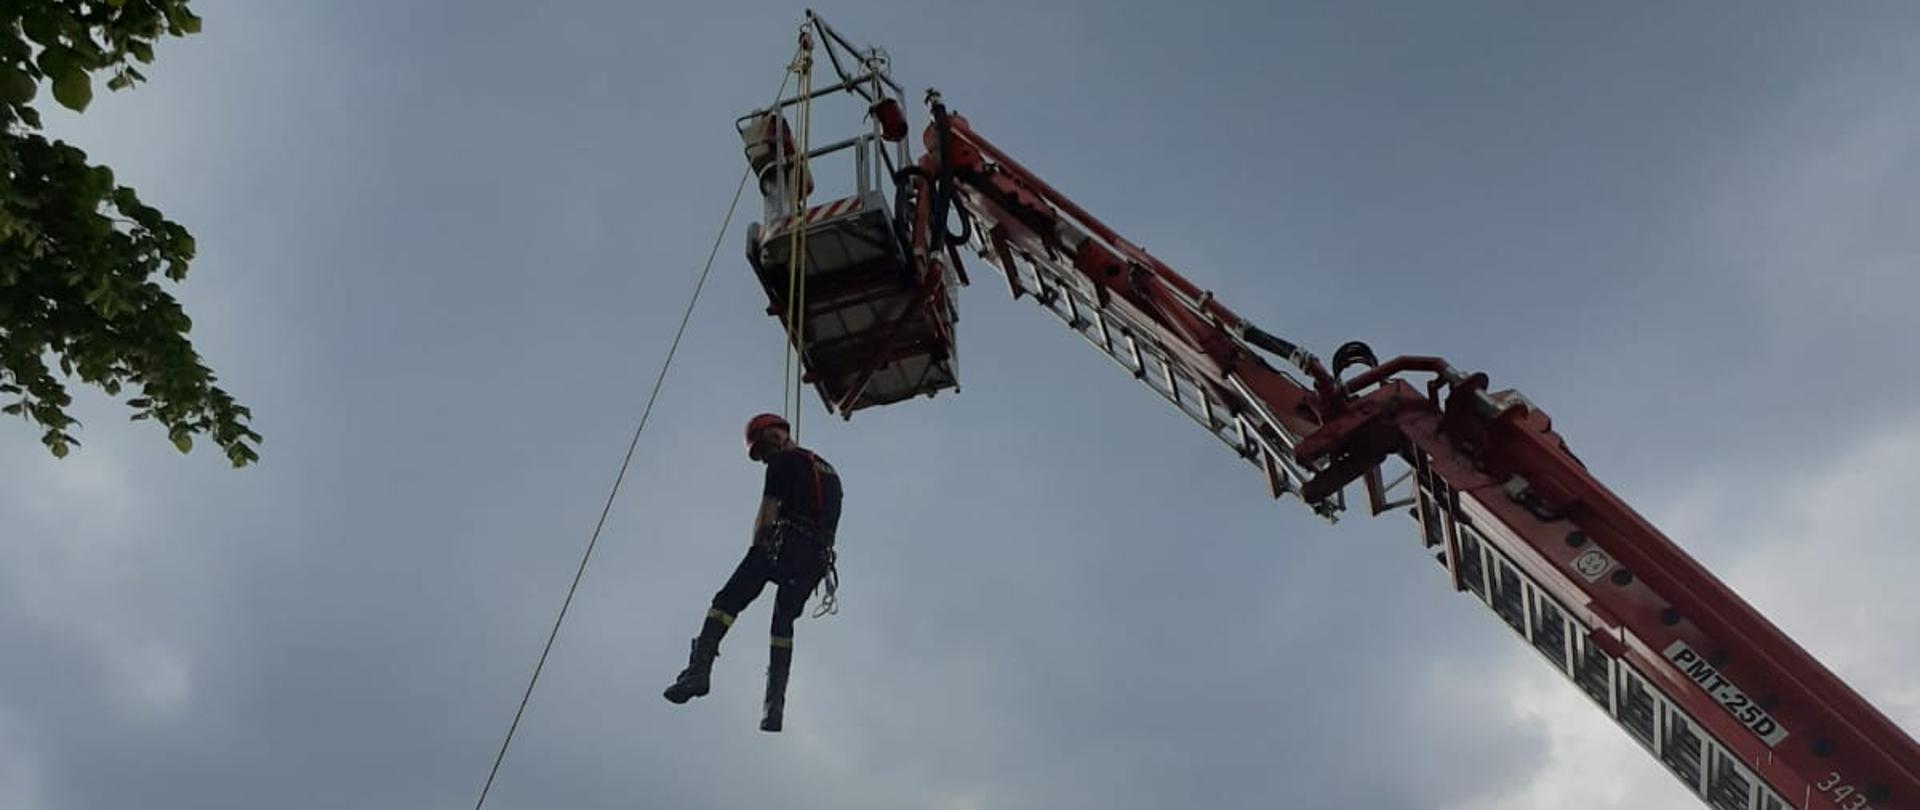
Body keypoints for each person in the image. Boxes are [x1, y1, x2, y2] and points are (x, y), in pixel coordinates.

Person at [662, 413, 842, 732]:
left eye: (762, 452)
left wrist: (756, 550)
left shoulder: (781, 464)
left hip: (783, 544)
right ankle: (774, 707)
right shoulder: (831, 474)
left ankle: (698, 672)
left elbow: (768, 512)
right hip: (814, 560)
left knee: (726, 601)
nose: (764, 460)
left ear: (773, 436)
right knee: (782, 622)